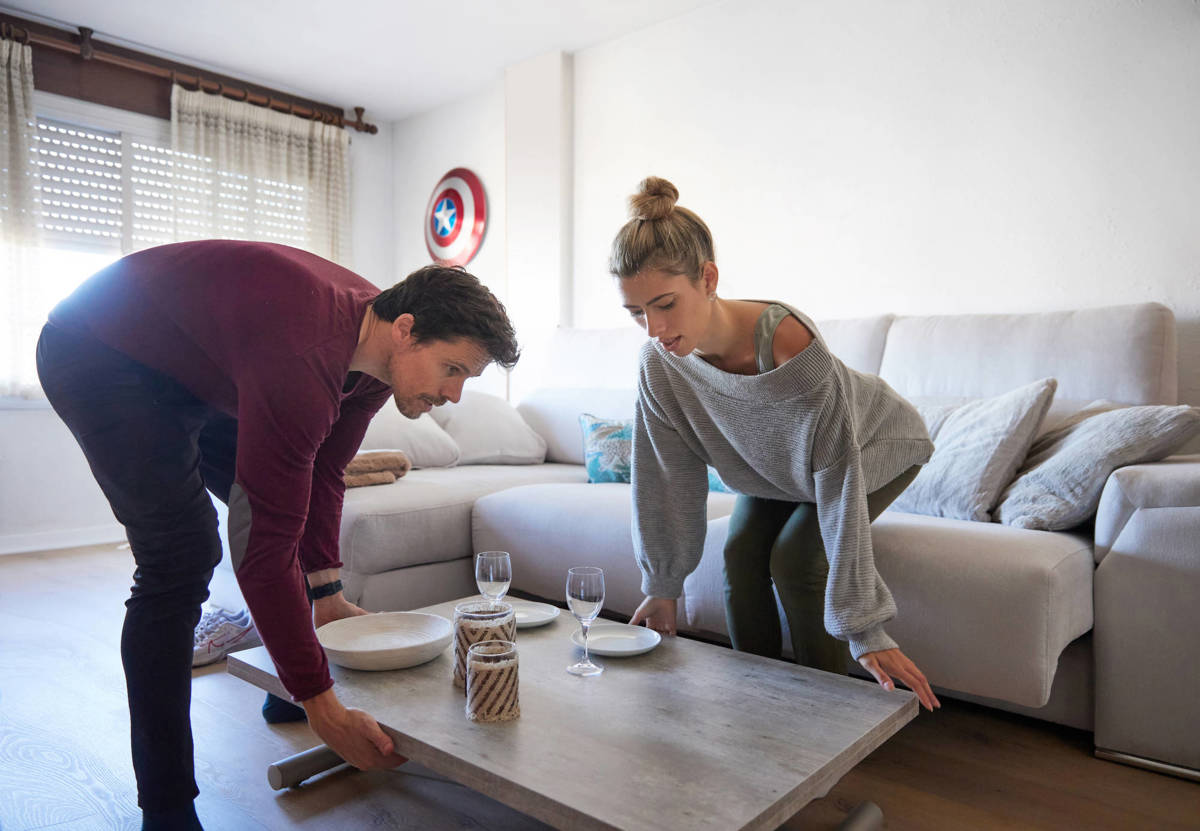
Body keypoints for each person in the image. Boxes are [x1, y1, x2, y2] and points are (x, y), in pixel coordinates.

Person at [36, 240, 519, 830]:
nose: (454, 394)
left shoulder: (368, 364)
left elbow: (323, 475)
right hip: (97, 352)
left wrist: (329, 595)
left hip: (193, 366)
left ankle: (286, 677)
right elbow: (262, 551)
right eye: (452, 370)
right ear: (407, 330)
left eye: (467, 377)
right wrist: (324, 706)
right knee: (182, 558)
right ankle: (166, 807)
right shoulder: (306, 359)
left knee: (286, 501)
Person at [615, 177, 940, 712]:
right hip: (778, 468)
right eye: (635, 312)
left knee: (794, 560)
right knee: (741, 554)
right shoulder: (660, 364)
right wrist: (664, 582)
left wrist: (865, 629)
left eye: (665, 304)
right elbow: (666, 474)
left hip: (875, 441)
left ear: (709, 278)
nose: (654, 328)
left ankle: (824, 727)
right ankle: (758, 712)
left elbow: (838, 474)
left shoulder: (790, 346)